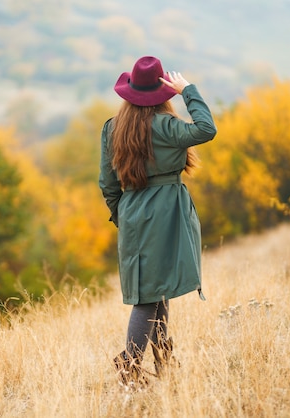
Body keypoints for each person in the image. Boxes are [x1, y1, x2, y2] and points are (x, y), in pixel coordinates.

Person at [99, 56, 217, 389]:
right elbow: (207, 129)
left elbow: (107, 184)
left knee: (155, 289)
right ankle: (129, 367)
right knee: (149, 296)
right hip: (167, 211)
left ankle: (165, 364)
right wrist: (188, 91)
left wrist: (123, 217)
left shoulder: (112, 128)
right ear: (162, 92)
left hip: (133, 212)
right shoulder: (166, 126)